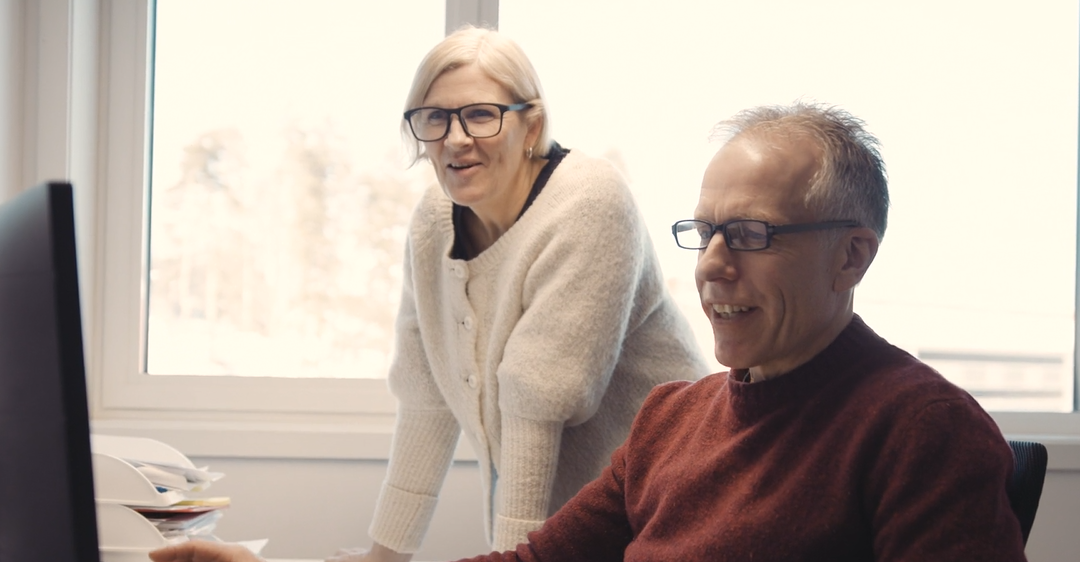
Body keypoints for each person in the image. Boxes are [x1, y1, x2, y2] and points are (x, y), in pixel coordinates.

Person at [149, 101, 1027, 562]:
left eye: (751, 234)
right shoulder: (674, 419)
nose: (714, 264)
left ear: (852, 256)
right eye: (703, 231)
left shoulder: (923, 432)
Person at [334, 24, 709, 561]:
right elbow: (426, 397)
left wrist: (516, 555)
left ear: (530, 125)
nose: (455, 138)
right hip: (567, 533)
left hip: (671, 509)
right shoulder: (433, 226)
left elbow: (537, 399)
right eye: (434, 118)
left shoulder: (588, 201)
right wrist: (383, 557)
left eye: (482, 115)